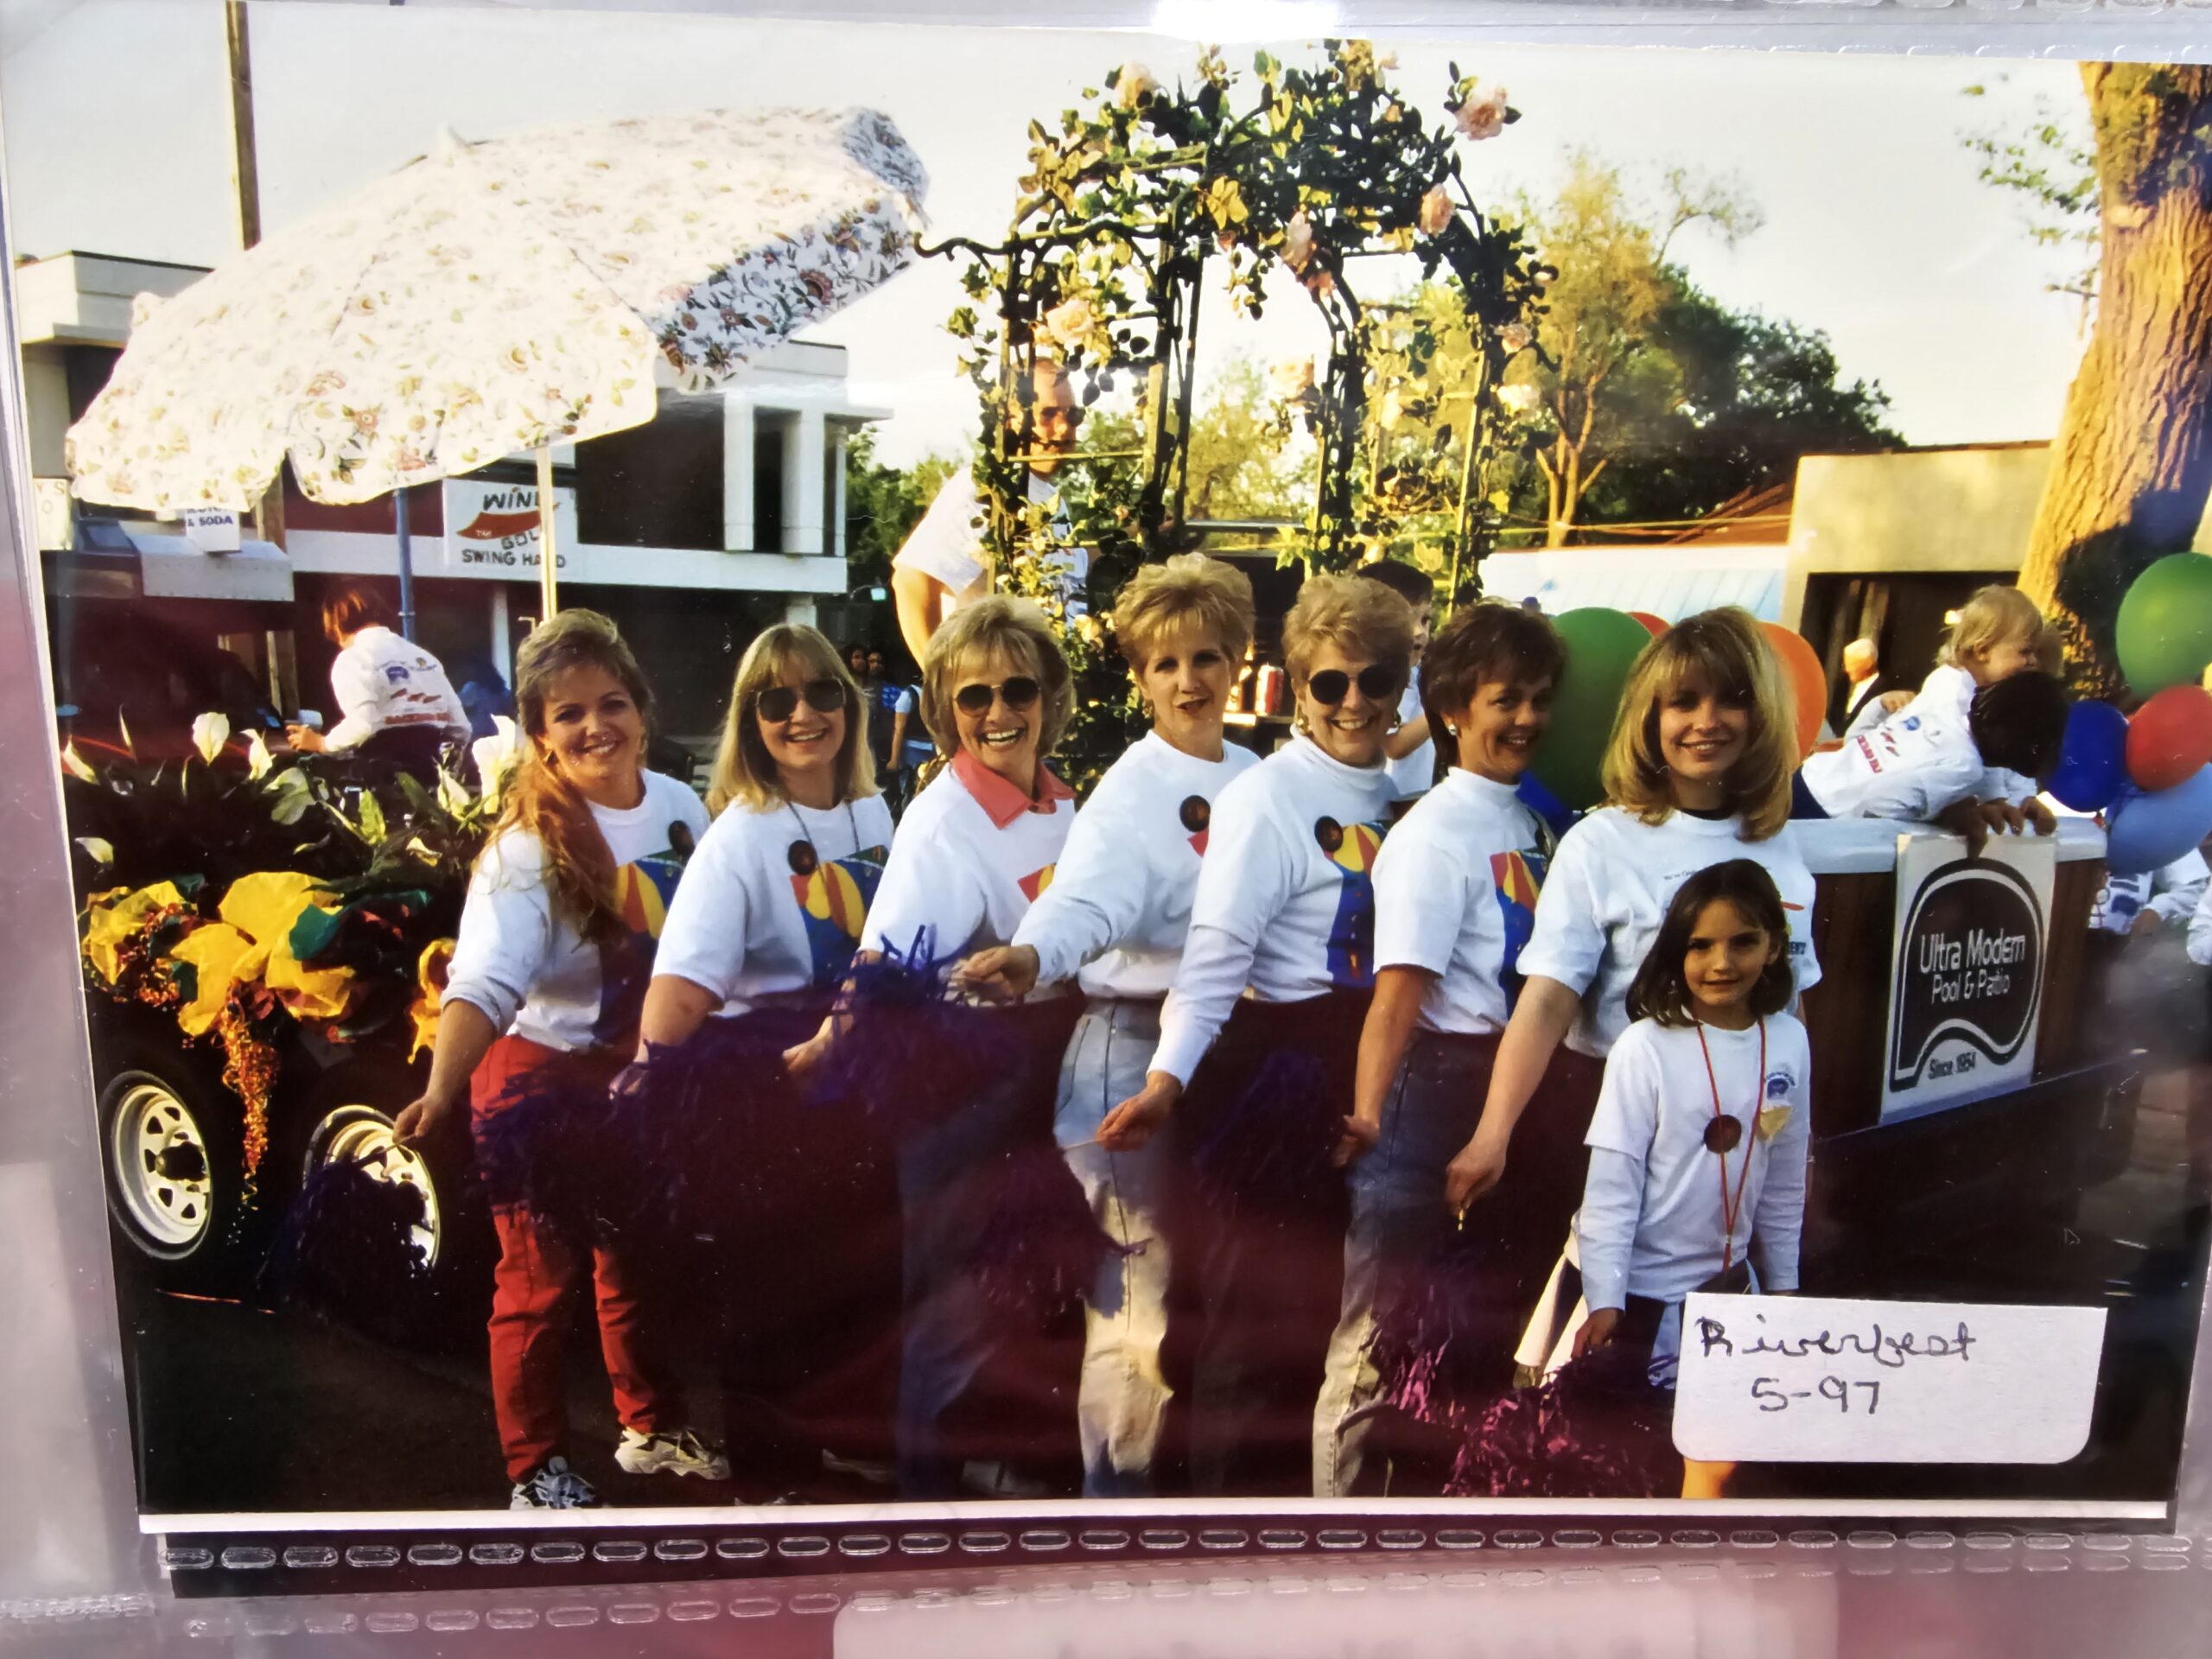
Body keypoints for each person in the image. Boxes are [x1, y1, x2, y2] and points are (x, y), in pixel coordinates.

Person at [392, 610, 721, 1510]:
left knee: (637, 1259)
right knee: (538, 1285)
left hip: (638, 1075)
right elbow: (485, 982)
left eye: (610, 703)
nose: (594, 727)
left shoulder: (682, 811)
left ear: (642, 713)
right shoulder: (526, 848)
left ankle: (649, 1429)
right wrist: (440, 1088)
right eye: (568, 713)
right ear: (538, 734)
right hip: (540, 1081)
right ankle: (533, 1466)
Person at [1443, 607, 1821, 1382]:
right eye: (1682, 703)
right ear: (1650, 719)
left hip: (1727, 1138)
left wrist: (1786, 1140)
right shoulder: (1602, 841)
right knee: (1576, 1361)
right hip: (1603, 1121)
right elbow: (1546, 1001)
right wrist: (1493, 1134)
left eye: (1730, 700)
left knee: (1698, 1368)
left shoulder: (1776, 844)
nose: (1706, 723)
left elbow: (1789, 1012)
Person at [953, 555, 1260, 1497]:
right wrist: (1033, 953)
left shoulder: (1255, 776)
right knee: (1137, 1313)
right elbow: (1089, 899)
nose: (1187, 681)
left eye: (1207, 657)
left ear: (1237, 662)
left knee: (1212, 1303)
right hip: (1127, 1053)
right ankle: (1109, 1523)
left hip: (1219, 1052)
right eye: (1163, 664)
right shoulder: (1131, 791)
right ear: (1138, 676)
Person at [1121, 572, 1414, 1493]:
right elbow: (1213, 962)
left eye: (1375, 680)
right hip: (1274, 1074)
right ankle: (1212, 1547)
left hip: (1368, 1061)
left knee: (1325, 1326)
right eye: (1330, 684)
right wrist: (1167, 1081)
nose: (1354, 702)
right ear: (1296, 689)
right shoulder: (1266, 799)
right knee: (1253, 1334)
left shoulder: (1408, 788)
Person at [797, 596, 1080, 1498]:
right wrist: (820, 1048)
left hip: (1046, 1065)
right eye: (973, 697)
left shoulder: (1064, 800)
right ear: (943, 711)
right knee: (951, 1307)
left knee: (1017, 1292)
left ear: (1051, 695)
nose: (998, 712)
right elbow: (885, 961)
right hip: (969, 1079)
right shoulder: (943, 817)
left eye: (1017, 688)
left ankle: (987, 1469)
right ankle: (920, 1506)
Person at [627, 624, 895, 1498]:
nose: (803, 714)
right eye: (775, 700)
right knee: (767, 1307)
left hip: (856, 1084)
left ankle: (829, 1458)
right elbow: (682, 980)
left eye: (821, 692)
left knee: (847, 1293)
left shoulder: (873, 811)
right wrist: (645, 1084)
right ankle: (765, 1492)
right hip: (770, 1088)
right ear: (752, 721)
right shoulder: (740, 835)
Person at [1312, 601, 1564, 1497]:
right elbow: (1397, 997)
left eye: (1538, 698)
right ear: (1454, 707)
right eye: (1505, 699)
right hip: (1428, 1098)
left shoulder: (1530, 827)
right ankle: (1336, 1541)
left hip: (1503, 1097)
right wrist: (1373, 1118)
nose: (1525, 718)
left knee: (1459, 1345)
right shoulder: (1433, 835)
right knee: (1374, 1346)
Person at [1493, 859, 1809, 1501]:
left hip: (1725, 1294)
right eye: (1700, 946)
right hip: (1630, 1298)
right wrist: (1607, 1298)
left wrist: (1783, 1288)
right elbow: (1612, 1183)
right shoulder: (1645, 1047)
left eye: (1743, 942)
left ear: (1775, 945)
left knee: (1712, 1468)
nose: (1721, 963)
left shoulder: (1790, 1041)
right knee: (1603, 1468)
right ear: (1675, 952)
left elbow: (1781, 1179)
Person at [891, 359, 1089, 662]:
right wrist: (940, 684)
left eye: (1073, 414)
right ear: (1011, 420)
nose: (1064, 427)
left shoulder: (1051, 500)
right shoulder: (982, 490)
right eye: (1047, 414)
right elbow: (912, 580)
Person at [1793, 670, 2069, 849]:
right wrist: (1940, 811)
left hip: (1808, 778)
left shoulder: (1946, 708)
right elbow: (1882, 800)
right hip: (1824, 813)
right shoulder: (1964, 766)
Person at [285, 583, 470, 768]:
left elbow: (363, 724)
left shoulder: (353, 658)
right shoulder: (424, 657)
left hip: (380, 780)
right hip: (429, 779)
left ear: (336, 624)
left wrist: (321, 744)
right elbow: (461, 728)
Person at [1358, 561, 1438, 806]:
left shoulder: (1414, 674)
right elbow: (1393, 745)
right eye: (1406, 620)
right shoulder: (1380, 677)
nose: (1420, 632)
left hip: (1411, 798)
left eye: (1425, 619)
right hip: (1384, 801)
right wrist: (1444, 707)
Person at [1839, 637, 1883, 731]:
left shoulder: (1880, 690)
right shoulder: (1856, 686)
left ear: (1868, 664)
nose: (1847, 669)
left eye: (1852, 664)